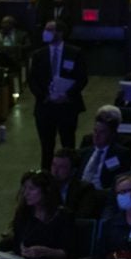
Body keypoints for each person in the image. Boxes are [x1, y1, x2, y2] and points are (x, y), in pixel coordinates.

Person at [28, 19, 88, 169]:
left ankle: (70, 173)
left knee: (68, 145)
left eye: (50, 29)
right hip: (45, 106)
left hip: (67, 105)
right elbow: (32, 80)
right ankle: (46, 176)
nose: (46, 32)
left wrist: (68, 95)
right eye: (45, 29)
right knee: (46, 146)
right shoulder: (38, 54)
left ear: (60, 33)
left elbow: (82, 78)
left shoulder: (74, 53)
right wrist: (44, 96)